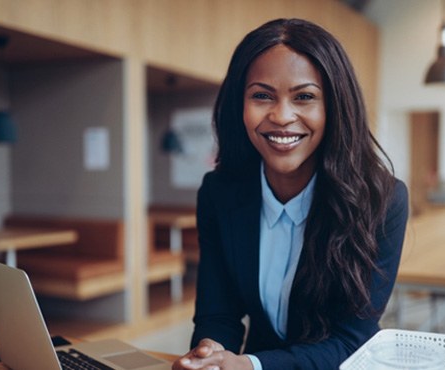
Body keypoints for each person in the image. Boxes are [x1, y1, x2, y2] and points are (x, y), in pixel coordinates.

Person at [173, 18, 408, 370]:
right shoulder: (218, 193)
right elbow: (217, 313)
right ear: (240, 104)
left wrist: (250, 366)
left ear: (335, 107)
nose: (282, 116)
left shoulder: (382, 200)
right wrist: (209, 355)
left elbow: (351, 340)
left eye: (304, 97)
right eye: (262, 96)